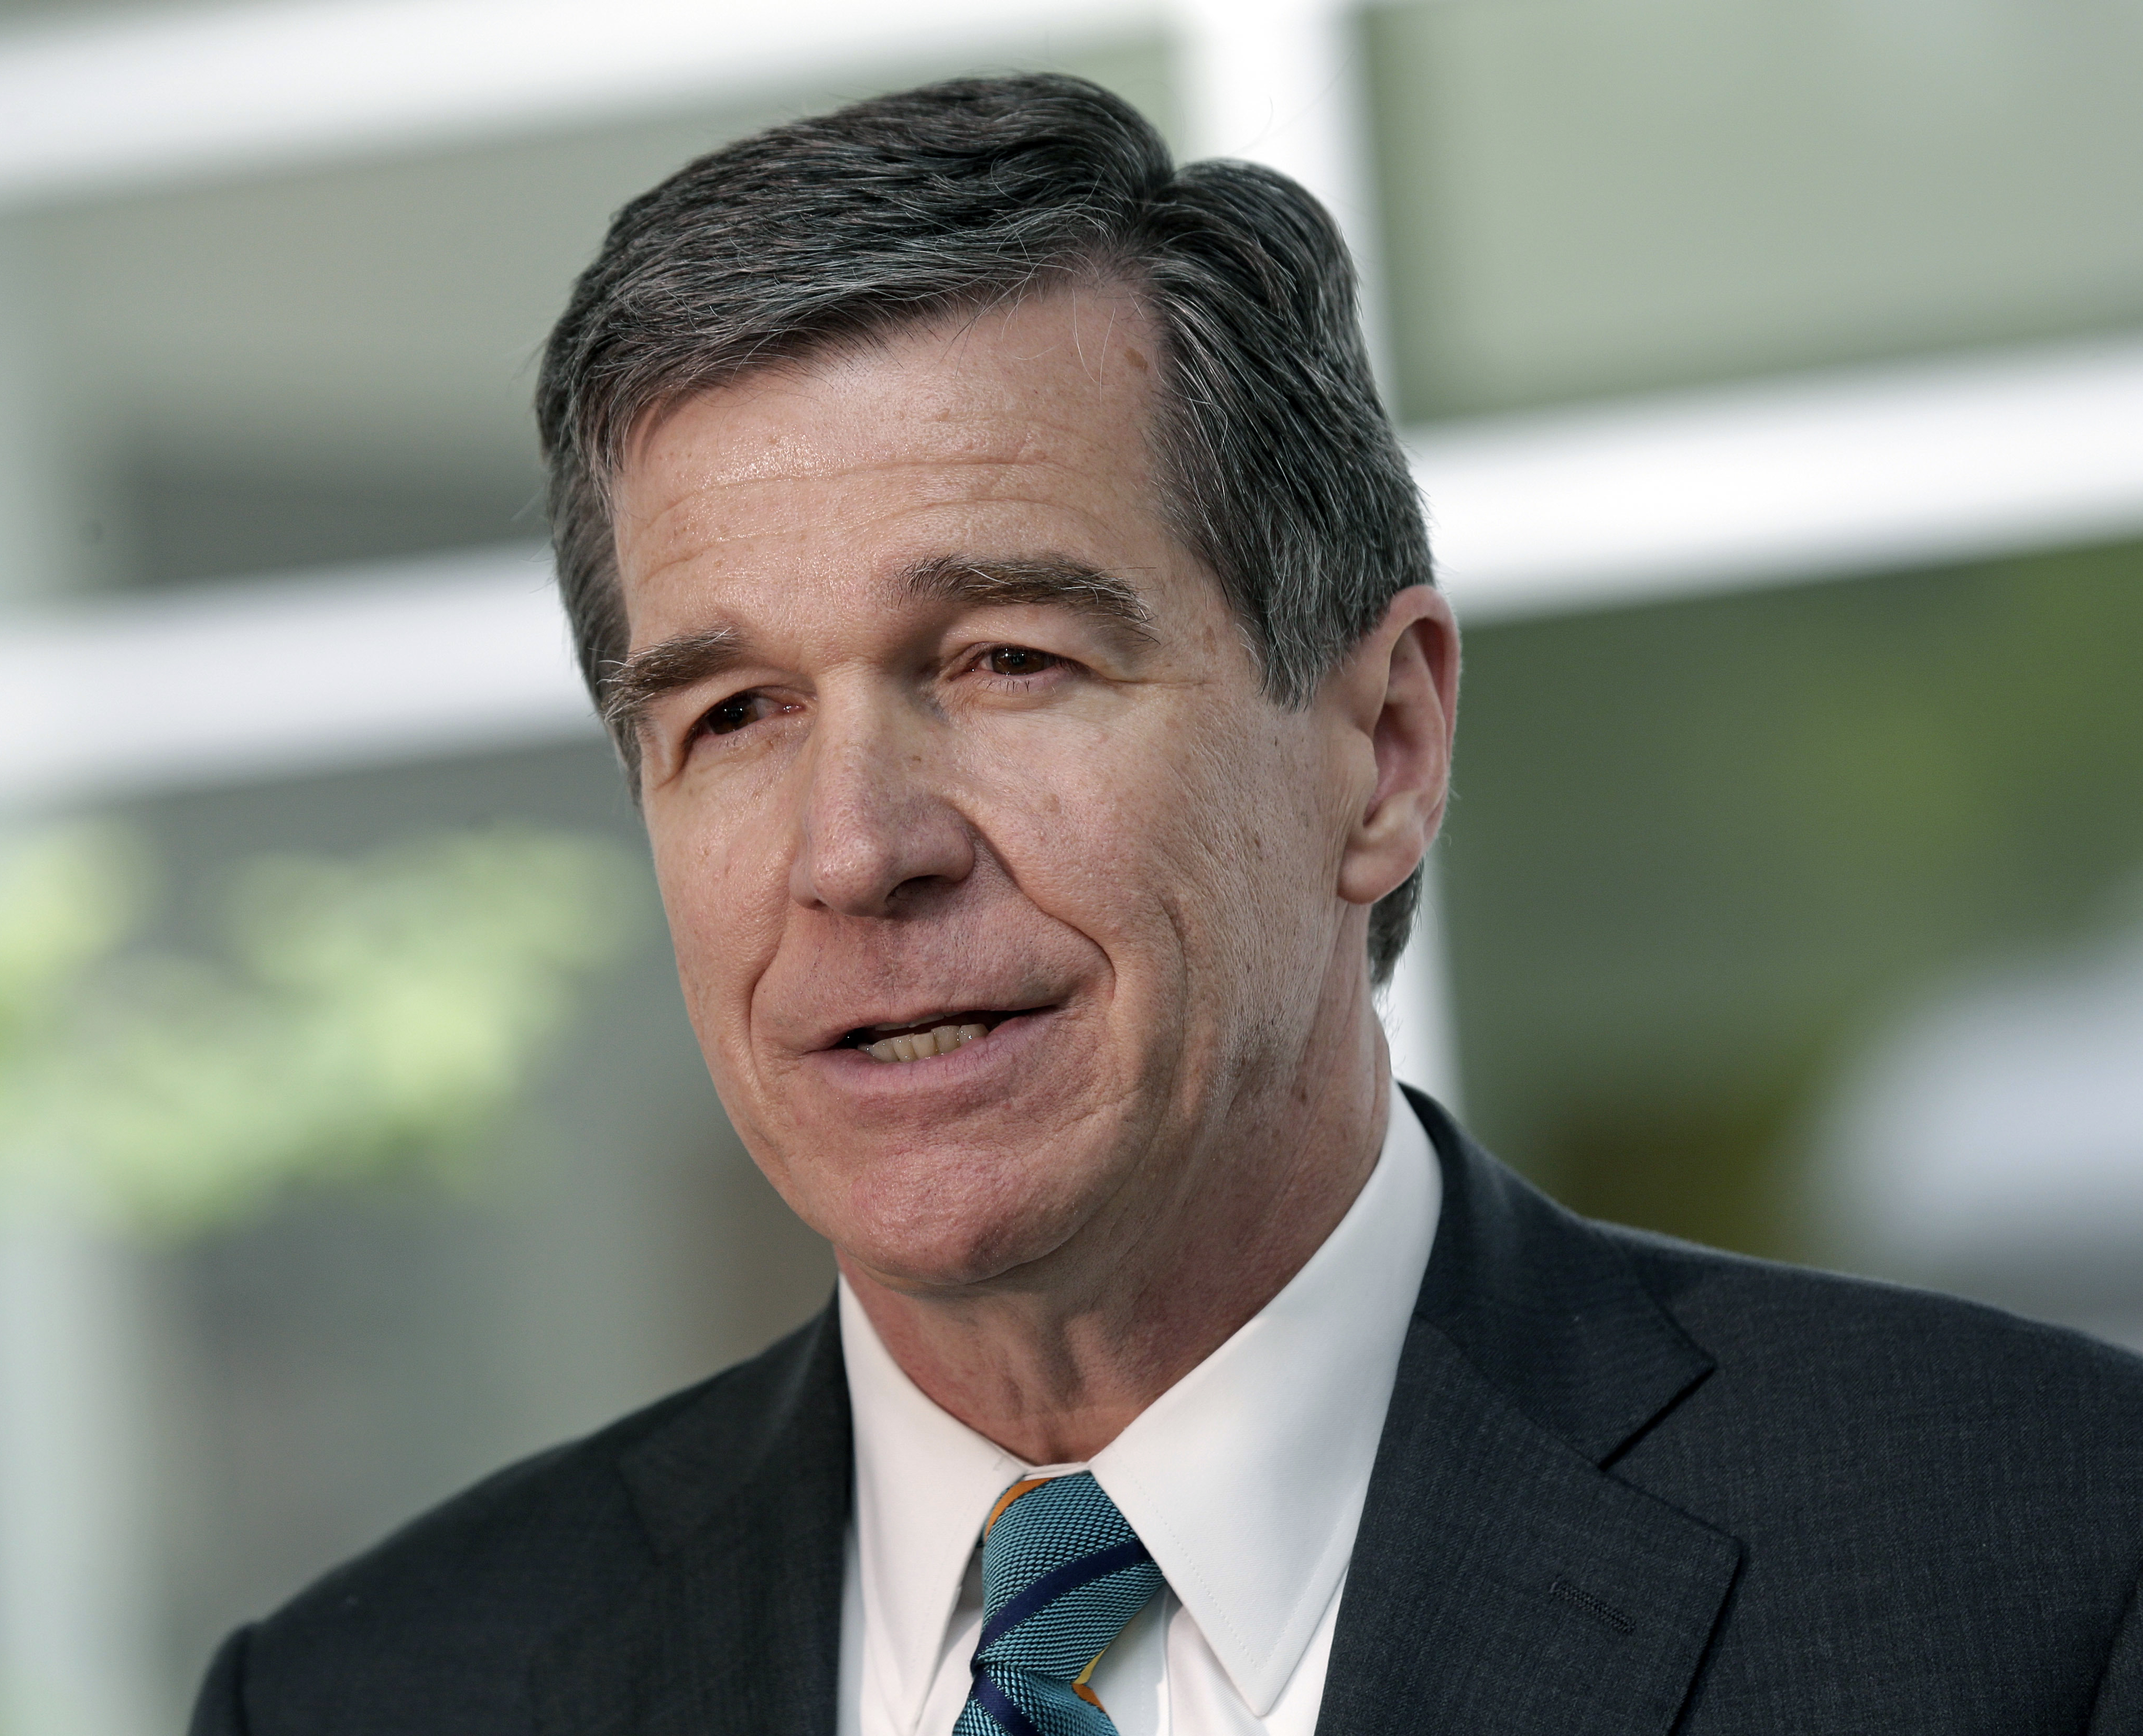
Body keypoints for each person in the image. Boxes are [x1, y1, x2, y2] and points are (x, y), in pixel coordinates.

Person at [188, 74, 2143, 1735]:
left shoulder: (2048, 1568)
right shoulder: (376, 1693)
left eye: (1005, 659)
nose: (855, 849)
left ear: (1379, 746)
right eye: (733, 712)